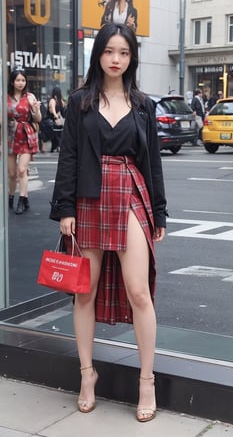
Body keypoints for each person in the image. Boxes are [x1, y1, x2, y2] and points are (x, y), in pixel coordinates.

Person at [49, 23, 167, 422]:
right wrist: (65, 209)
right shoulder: (81, 101)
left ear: (131, 58)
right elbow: (68, 156)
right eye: (109, 51)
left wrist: (160, 212)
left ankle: (146, 380)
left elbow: (152, 162)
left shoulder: (143, 105)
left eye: (124, 53)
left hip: (131, 194)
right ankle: (87, 374)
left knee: (139, 292)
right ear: (98, 54)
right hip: (87, 198)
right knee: (85, 292)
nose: (116, 59)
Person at [7, 67, 41, 214]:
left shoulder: (30, 97)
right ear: (12, 81)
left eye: (23, 80)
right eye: (17, 80)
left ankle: (21, 200)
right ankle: (11, 197)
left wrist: (35, 109)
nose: (20, 83)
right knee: (12, 173)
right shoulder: (6, 97)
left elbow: (38, 119)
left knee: (22, 170)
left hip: (26, 135)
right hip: (9, 135)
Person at [47, 86, 66, 153]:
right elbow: (63, 110)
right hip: (60, 120)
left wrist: (55, 116)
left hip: (54, 119)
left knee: (55, 135)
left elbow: (52, 109)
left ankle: (56, 147)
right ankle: (58, 147)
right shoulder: (61, 101)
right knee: (59, 134)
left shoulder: (53, 100)